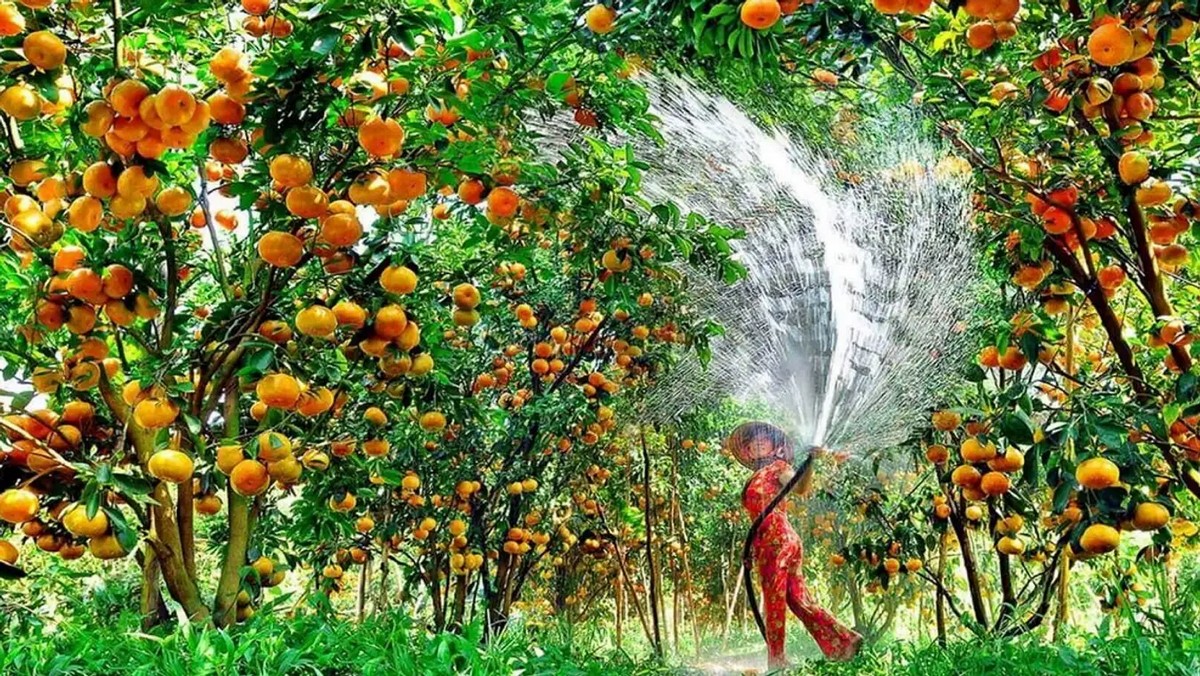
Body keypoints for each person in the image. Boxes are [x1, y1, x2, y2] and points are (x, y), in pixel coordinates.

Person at [728, 421, 861, 669]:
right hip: (768, 544)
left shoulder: (778, 467)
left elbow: (800, 487)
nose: (756, 442)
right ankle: (845, 640)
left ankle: (776, 661)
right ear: (746, 451)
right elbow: (756, 520)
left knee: (774, 601)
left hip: (779, 542)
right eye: (751, 441)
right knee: (799, 601)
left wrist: (809, 462)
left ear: (775, 447)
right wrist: (750, 553)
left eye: (763, 438)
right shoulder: (756, 477)